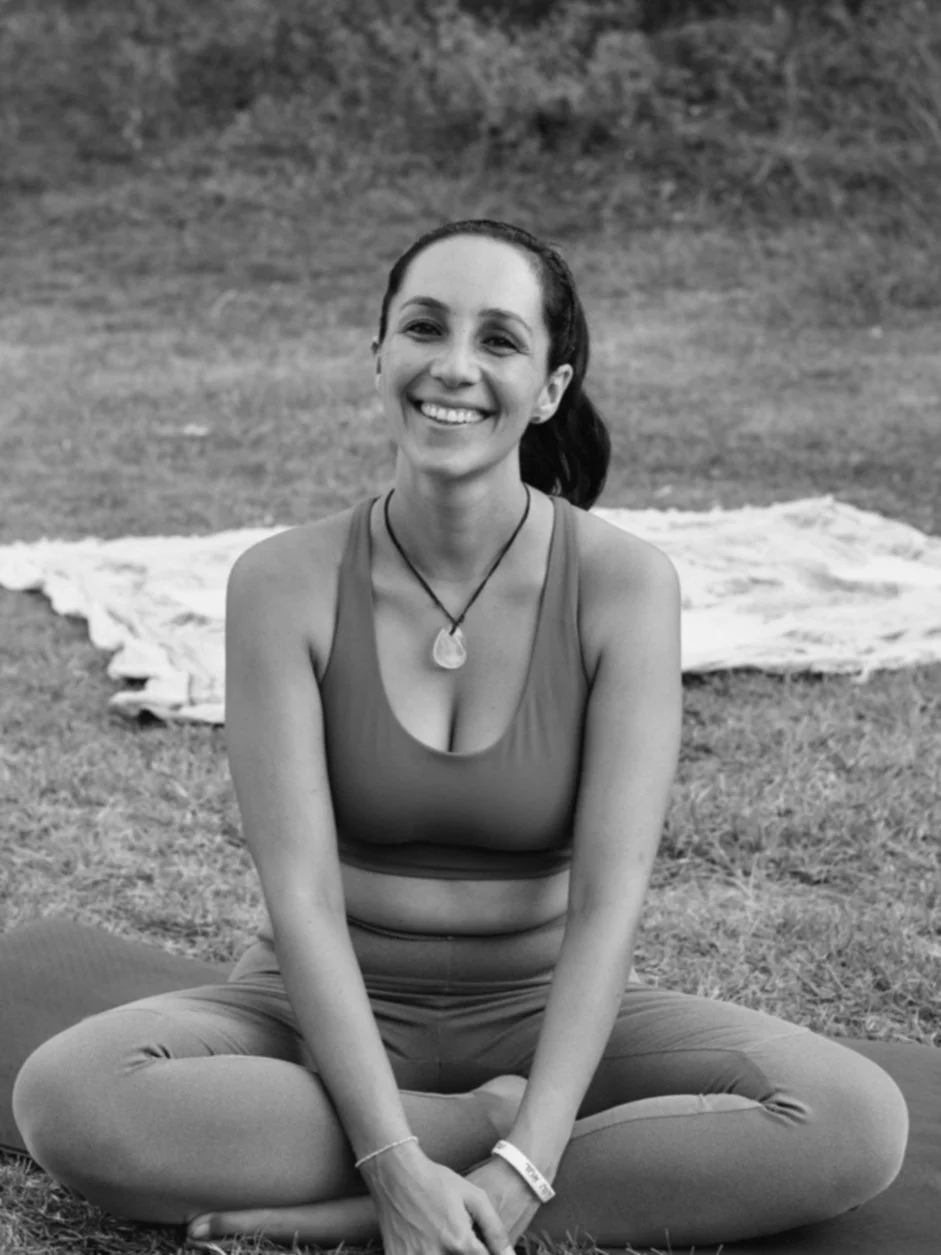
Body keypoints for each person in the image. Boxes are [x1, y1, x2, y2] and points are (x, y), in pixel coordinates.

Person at [13, 219, 908, 1254]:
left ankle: (414, 1196)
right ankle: (458, 1140)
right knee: (74, 1097)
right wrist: (396, 1155)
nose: (453, 366)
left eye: (498, 340)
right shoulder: (282, 582)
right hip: (316, 1008)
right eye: (424, 328)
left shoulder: (622, 585)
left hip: (542, 1010)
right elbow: (301, 900)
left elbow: (609, 904)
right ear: (378, 356)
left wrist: (530, 1159)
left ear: (549, 387)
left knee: (850, 1120)